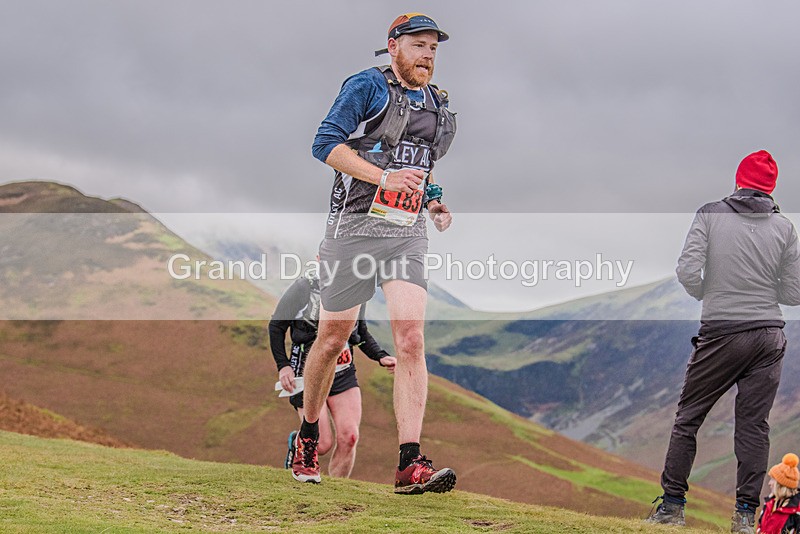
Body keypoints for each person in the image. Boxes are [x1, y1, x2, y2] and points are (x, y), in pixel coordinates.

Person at [291, 13, 458, 494]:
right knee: (332, 337)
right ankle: (307, 435)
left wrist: (433, 200)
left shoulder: (437, 103)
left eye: (434, 47)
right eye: (419, 45)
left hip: (405, 232)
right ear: (393, 46)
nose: (428, 54)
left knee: (410, 338)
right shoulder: (366, 86)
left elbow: (419, 163)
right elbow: (325, 145)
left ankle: (410, 462)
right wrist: (383, 178)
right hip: (353, 230)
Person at [646, 150, 800, 532]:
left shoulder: (710, 213)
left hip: (722, 331)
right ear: (770, 189)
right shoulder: (785, 228)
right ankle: (746, 517)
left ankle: (671, 508)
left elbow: (686, 270)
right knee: (754, 426)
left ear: (738, 181)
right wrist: (763, 291)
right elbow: (795, 291)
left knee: (688, 417)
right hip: (769, 335)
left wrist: (707, 292)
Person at [269, 269, 396, 478]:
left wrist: (380, 356)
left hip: (343, 374)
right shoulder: (304, 287)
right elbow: (276, 326)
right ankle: (298, 443)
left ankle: (336, 491)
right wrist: (283, 366)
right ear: (322, 258)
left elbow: (359, 332)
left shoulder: (356, 286)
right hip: (307, 375)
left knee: (350, 437)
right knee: (321, 444)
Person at [757, 453, 800, 534]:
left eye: (773, 480)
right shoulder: (769, 503)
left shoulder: (797, 511)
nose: (769, 483)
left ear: (781, 485)